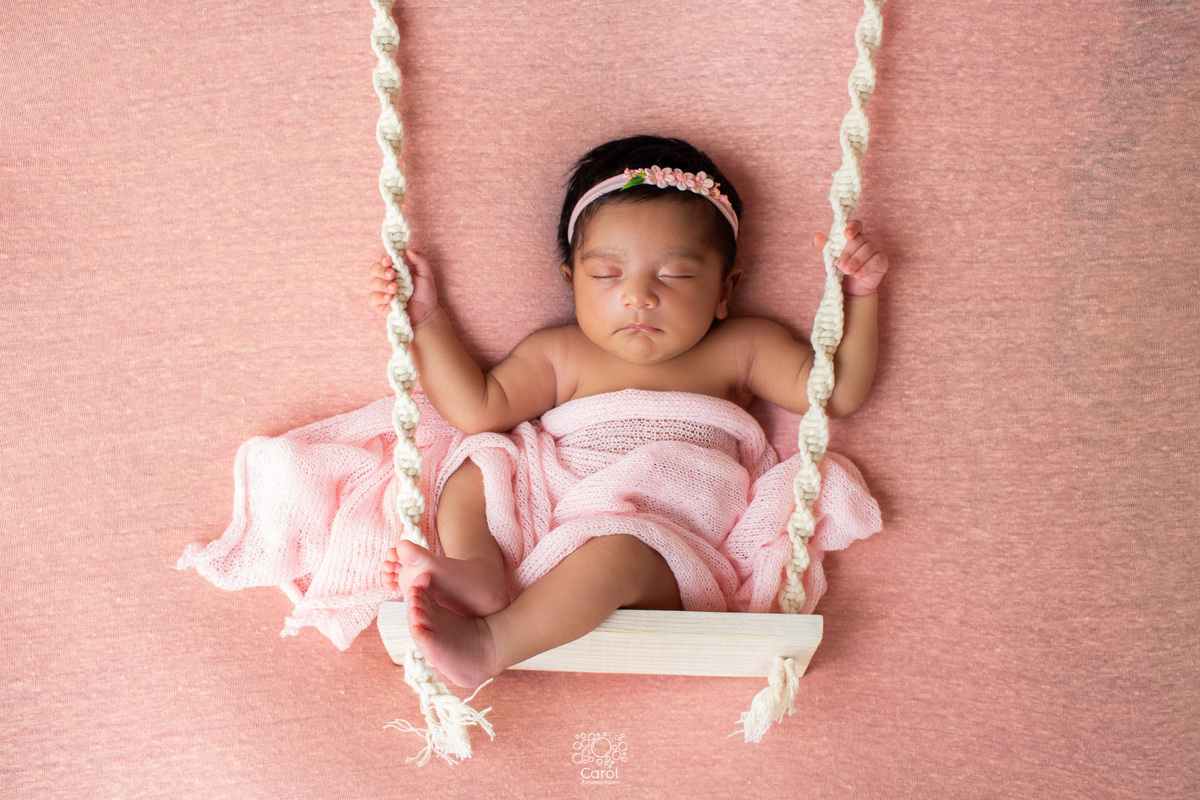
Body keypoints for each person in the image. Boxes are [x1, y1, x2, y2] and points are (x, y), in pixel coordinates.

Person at [368, 135, 887, 689]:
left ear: (723, 290)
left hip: (663, 541)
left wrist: (859, 296)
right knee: (480, 460)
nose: (639, 296)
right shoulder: (560, 352)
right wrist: (425, 318)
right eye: (607, 275)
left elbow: (836, 393)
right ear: (573, 282)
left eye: (676, 275)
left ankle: (494, 641)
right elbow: (477, 407)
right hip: (559, 511)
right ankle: (479, 572)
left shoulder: (743, 346)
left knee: (617, 555)